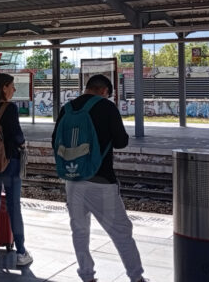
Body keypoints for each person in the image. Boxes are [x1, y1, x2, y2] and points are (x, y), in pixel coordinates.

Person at [52, 74, 148, 282]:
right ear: (104, 91)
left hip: (72, 179)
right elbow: (121, 141)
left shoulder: (67, 108)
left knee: (79, 231)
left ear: (87, 87)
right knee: (121, 232)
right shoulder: (106, 107)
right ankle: (136, 277)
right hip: (101, 181)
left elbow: (55, 141)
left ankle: (86, 275)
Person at [0, 73, 33, 266]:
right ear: (4, 87)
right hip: (9, 162)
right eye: (11, 86)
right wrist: (23, 143)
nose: (13, 89)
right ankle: (20, 252)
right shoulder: (10, 108)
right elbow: (16, 134)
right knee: (13, 207)